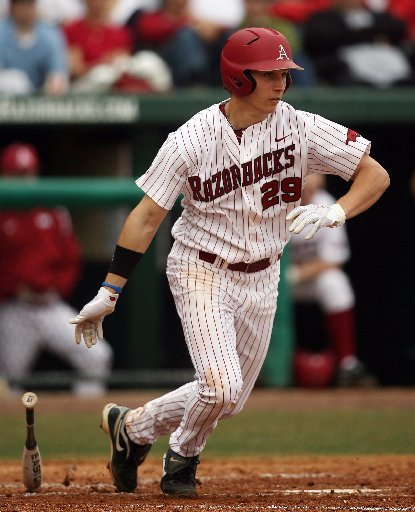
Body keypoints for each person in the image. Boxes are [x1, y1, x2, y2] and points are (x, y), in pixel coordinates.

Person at [70, 27, 389, 497]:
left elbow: (374, 174)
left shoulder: (298, 124)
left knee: (228, 398)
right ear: (239, 78)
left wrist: (335, 211)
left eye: (285, 73)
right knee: (218, 388)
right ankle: (181, 459)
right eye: (270, 74)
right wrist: (109, 289)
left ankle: (132, 429)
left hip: (264, 274)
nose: (282, 83)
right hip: (201, 268)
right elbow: (146, 215)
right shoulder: (191, 139)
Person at [0, 142, 113, 397]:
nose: (24, 181)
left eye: (28, 174)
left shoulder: (52, 210)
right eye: (17, 176)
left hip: (50, 306)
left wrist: (57, 288)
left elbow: (71, 260)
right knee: (8, 382)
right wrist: (13, 289)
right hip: (13, 308)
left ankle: (84, 424)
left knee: (97, 356)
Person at [288, 173, 377, 386]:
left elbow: (334, 260)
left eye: (313, 187)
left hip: (305, 279)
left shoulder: (326, 204)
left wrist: (297, 274)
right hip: (274, 280)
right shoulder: (276, 204)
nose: (309, 192)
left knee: (335, 283)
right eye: (304, 188)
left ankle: (348, 364)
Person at [303, 0, 414, 87]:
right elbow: (324, 36)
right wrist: (373, 35)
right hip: (353, 71)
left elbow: (398, 29)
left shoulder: (377, 16)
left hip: (394, 70)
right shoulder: (323, 18)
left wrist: (355, 34)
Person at [0, 0, 68, 96]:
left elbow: (58, 71)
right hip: (6, 100)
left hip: (41, 99)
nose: (25, 11)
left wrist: (55, 83)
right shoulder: (1, 33)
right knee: (15, 81)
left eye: (30, 5)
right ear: (11, 8)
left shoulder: (50, 34)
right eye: (21, 6)